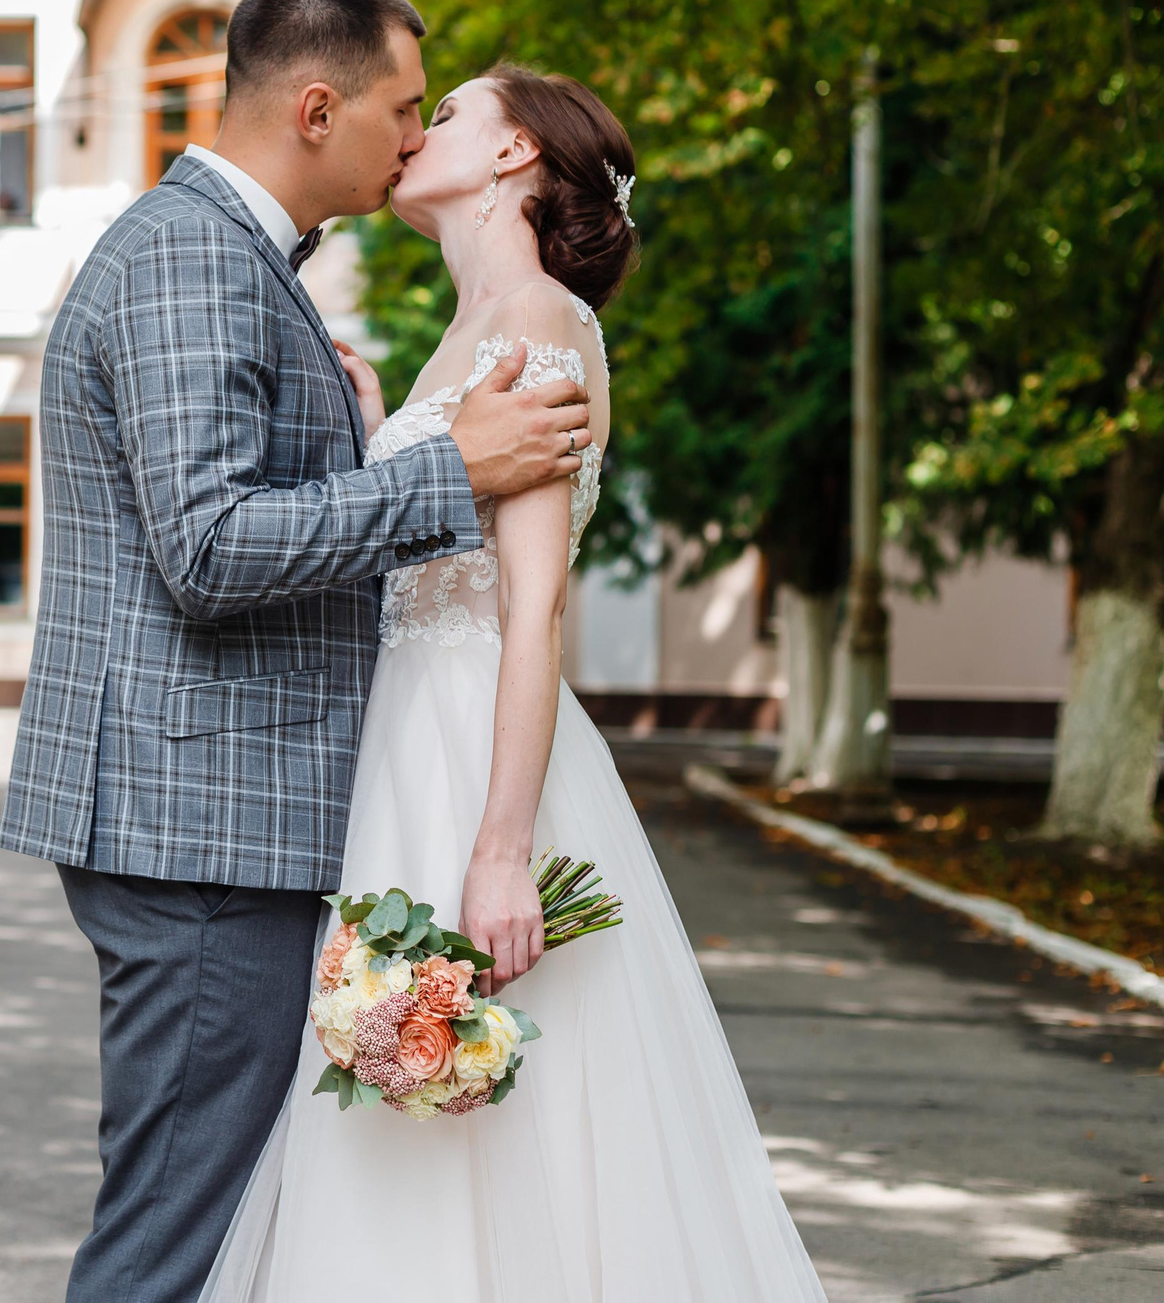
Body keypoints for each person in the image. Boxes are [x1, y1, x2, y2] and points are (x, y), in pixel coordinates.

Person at [0, 0, 593, 1303]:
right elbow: (208, 548)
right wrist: (449, 473)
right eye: (403, 107)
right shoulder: (193, 257)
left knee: (204, 1225)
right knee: (172, 1239)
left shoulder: (231, 260)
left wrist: (366, 433)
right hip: (200, 824)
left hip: (216, 816)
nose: (411, 136)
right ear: (318, 108)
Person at [195, 65, 827, 1301]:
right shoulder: (468, 333)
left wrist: (497, 847)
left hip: (471, 747)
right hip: (402, 740)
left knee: (488, 1127)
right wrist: (386, 428)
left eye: (447, 113)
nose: (413, 131)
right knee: (391, 1113)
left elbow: (530, 608)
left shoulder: (536, 322)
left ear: (511, 156)